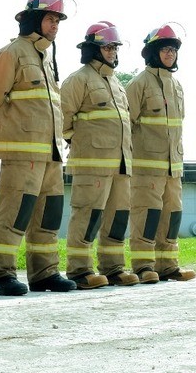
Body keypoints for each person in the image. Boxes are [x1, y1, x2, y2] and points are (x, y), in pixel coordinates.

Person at [0, 0, 76, 294]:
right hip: (21, 154)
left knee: (48, 216)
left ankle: (44, 273)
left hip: (51, 155)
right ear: (35, 20)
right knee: (14, 213)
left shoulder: (46, 59)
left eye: (58, 21)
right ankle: (0, 273)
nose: (55, 25)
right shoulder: (11, 54)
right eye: (50, 19)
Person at [60, 22, 140, 288]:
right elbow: (62, 119)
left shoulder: (117, 84)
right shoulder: (78, 80)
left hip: (121, 165)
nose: (112, 52)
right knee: (87, 215)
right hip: (90, 165)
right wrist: (79, 141)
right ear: (93, 49)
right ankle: (80, 270)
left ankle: (113, 268)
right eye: (107, 47)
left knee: (117, 217)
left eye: (115, 47)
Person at [126, 24, 196, 284]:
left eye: (173, 50)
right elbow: (127, 124)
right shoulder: (138, 84)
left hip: (173, 168)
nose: (170, 54)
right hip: (146, 167)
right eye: (165, 49)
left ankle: (168, 266)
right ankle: (143, 266)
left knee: (172, 215)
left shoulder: (177, 86)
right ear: (152, 52)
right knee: (147, 215)